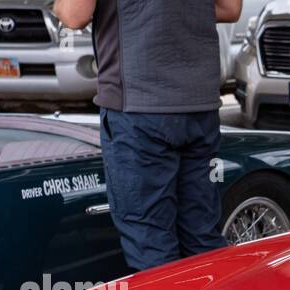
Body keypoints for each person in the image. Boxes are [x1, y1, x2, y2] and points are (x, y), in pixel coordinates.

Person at [53, 0, 242, 271]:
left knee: (150, 243)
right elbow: (230, 8)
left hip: (139, 109)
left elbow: (73, 15)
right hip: (199, 107)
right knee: (201, 235)